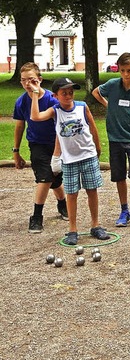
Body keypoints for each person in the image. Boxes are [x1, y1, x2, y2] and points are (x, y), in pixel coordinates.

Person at [29, 77, 109, 245]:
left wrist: (97, 146)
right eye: (64, 93)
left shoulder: (82, 106)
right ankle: (72, 229)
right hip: (69, 159)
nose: (68, 95)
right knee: (71, 194)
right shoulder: (55, 111)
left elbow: (92, 126)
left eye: (70, 92)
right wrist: (35, 94)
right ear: (55, 95)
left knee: (92, 190)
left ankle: (95, 225)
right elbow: (35, 116)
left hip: (88, 155)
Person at [92, 52, 130, 228]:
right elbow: (95, 92)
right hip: (115, 137)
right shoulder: (112, 85)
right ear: (119, 69)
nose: (126, 74)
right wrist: (108, 105)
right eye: (123, 70)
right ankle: (124, 210)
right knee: (118, 175)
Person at [12, 62, 67, 234]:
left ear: (40, 80)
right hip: (37, 144)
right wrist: (16, 151)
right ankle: (36, 217)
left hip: (56, 143)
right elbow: (20, 126)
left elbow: (60, 125)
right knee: (45, 178)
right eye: (23, 81)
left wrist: (58, 151)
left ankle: (62, 203)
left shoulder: (52, 99)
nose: (28, 84)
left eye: (32, 80)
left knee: (54, 179)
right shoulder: (21, 102)